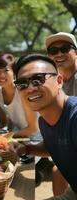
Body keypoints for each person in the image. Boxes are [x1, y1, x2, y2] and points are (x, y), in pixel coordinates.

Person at [13, 53, 77, 200]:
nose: (30, 88)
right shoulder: (44, 121)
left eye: (38, 79)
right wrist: (27, 148)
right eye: (22, 83)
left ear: (59, 80)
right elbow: (54, 146)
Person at [45, 32, 77, 195]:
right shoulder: (51, 82)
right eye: (53, 51)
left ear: (75, 52)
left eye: (64, 48)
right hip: (65, 141)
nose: (58, 54)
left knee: (58, 171)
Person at [0, 53, 39, 138]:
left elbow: (33, 128)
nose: (1, 75)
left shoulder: (23, 91)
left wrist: (7, 136)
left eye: (6, 71)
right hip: (21, 138)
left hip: (39, 139)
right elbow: (8, 122)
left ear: (14, 73)